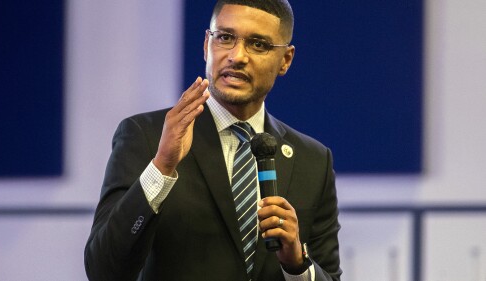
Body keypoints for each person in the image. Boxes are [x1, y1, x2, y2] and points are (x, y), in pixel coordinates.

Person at [84, 0, 342, 280]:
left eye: (258, 44)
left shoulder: (313, 160)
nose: (237, 56)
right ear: (207, 44)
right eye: (226, 38)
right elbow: (104, 270)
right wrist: (161, 168)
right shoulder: (147, 137)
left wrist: (298, 264)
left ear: (286, 60)